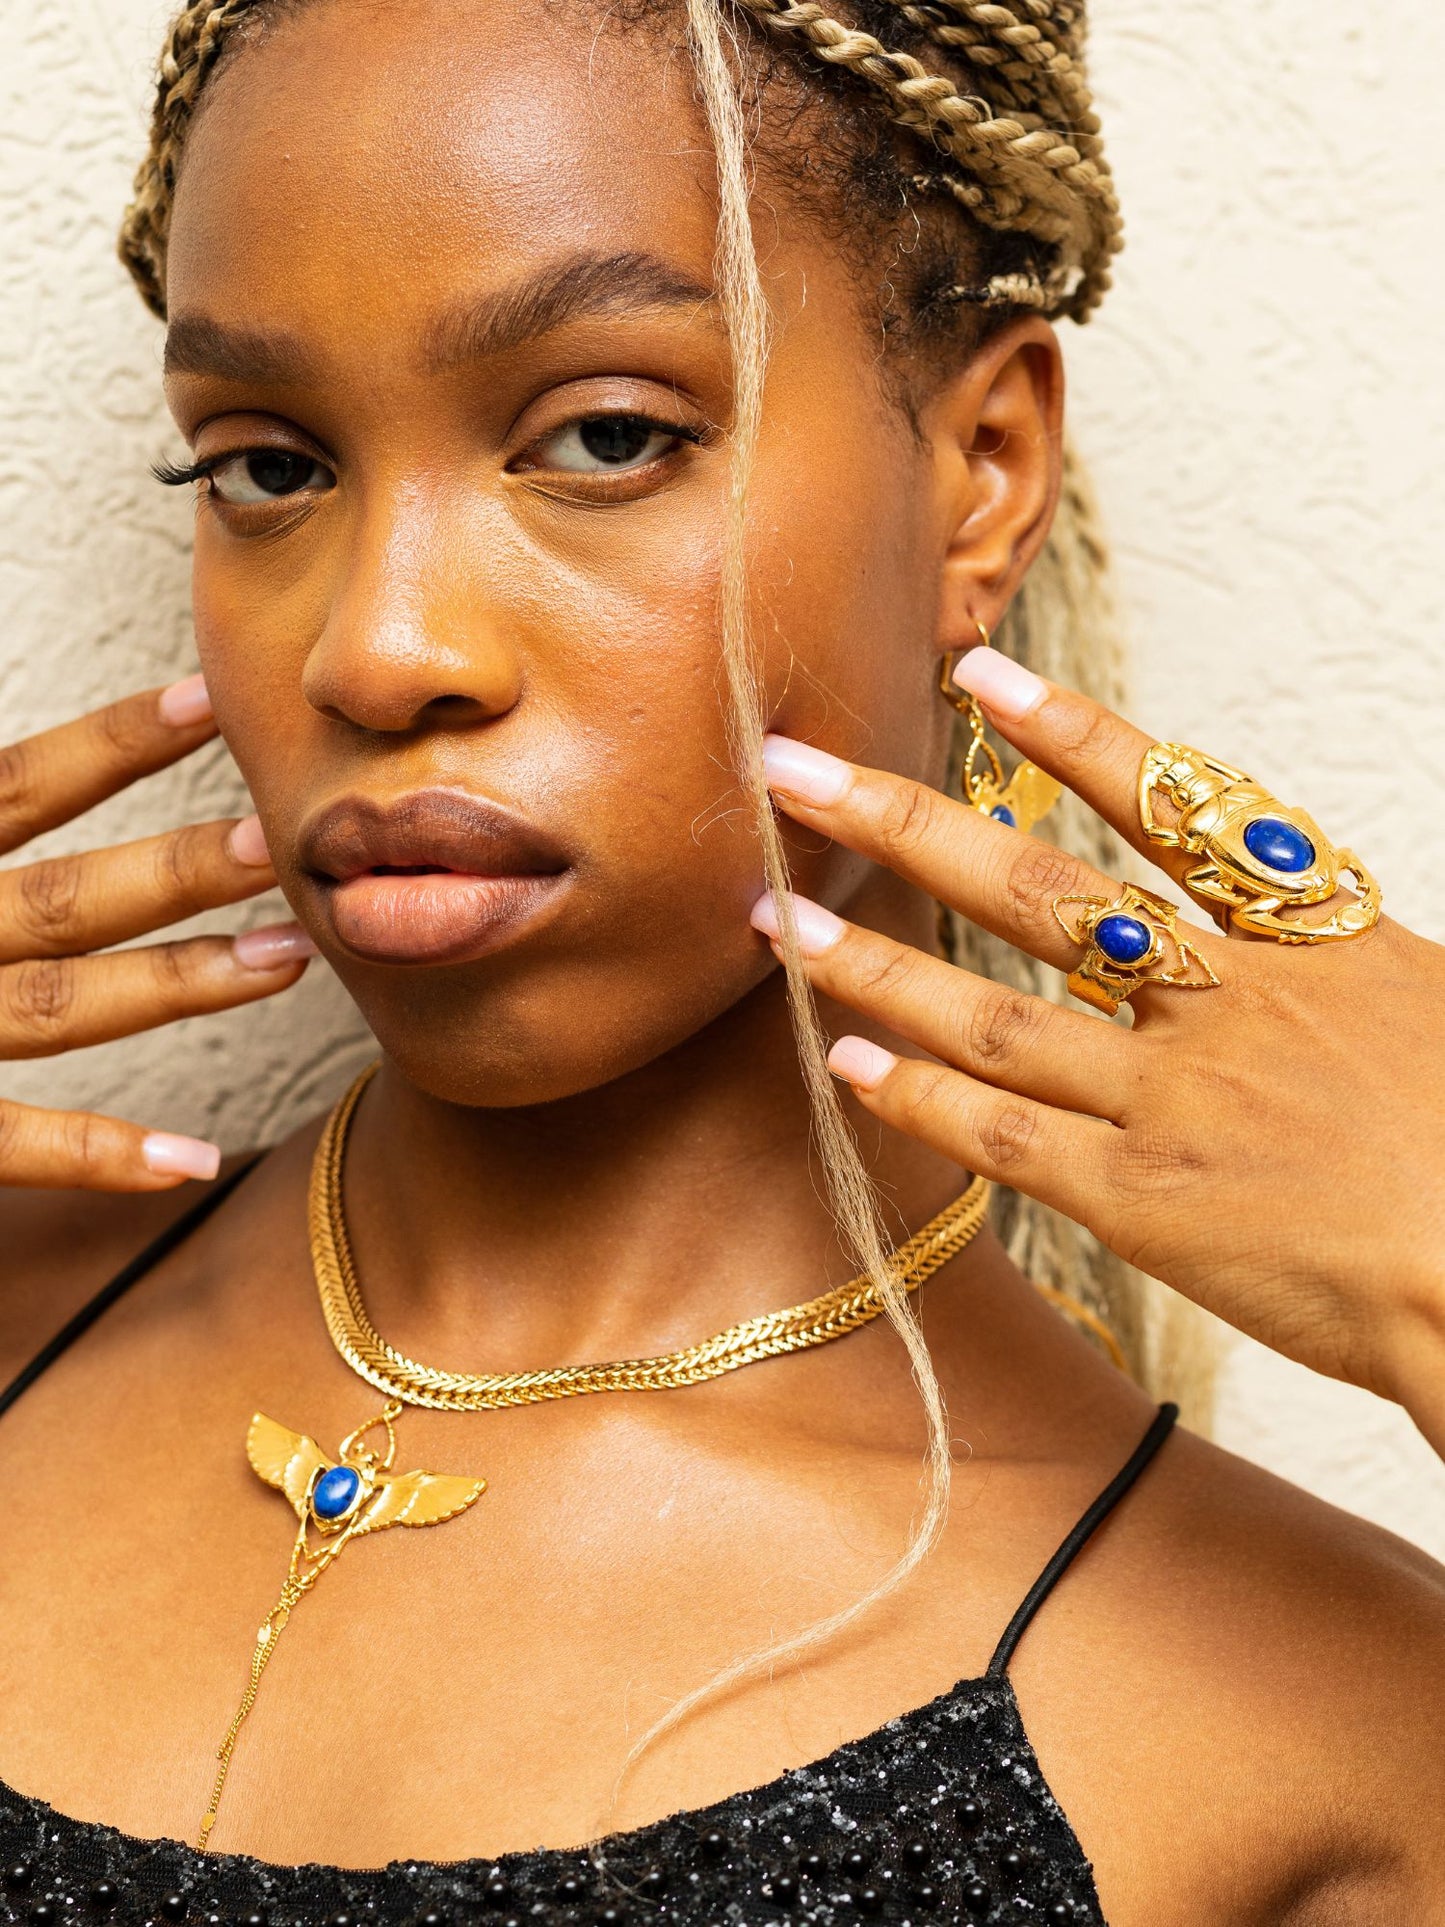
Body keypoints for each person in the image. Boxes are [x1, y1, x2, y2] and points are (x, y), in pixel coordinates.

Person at [0, 0, 1440, 1921]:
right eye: (266, 466)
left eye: (602, 435)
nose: (377, 648)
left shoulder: (1310, 1727)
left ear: (982, 474)